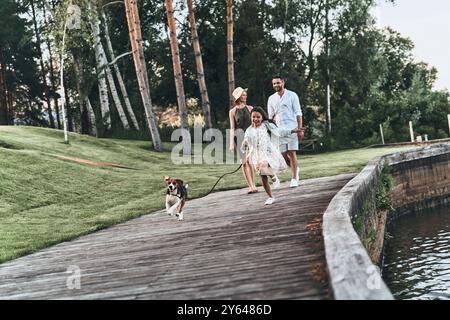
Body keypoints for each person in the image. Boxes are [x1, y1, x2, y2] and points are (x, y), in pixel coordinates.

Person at [242, 107, 301, 205]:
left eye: (258, 117)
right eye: (253, 117)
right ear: (251, 117)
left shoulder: (266, 125)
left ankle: (273, 177)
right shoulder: (249, 130)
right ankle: (270, 196)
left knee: (263, 166)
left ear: (262, 117)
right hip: (257, 155)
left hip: (268, 153)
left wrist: (292, 131)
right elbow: (246, 140)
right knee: (262, 177)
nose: (255, 119)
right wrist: (244, 144)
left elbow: (279, 131)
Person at [267, 76, 304, 188]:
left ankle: (294, 179)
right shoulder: (271, 99)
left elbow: (298, 113)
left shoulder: (292, 95)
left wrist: (300, 130)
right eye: (274, 84)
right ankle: (296, 169)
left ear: (283, 82)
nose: (276, 85)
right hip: (279, 130)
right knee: (283, 155)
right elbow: (270, 118)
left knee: (292, 152)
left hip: (292, 128)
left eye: (278, 83)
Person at [229, 87, 257, 194]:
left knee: (250, 161)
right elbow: (232, 128)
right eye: (243, 95)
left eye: (245, 95)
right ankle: (250, 186)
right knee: (244, 162)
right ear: (238, 97)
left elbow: (254, 124)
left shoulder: (250, 108)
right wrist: (232, 144)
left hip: (250, 137)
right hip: (239, 138)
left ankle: (254, 184)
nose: (245, 96)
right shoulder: (232, 111)